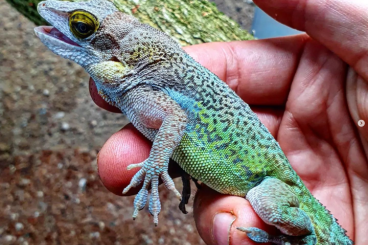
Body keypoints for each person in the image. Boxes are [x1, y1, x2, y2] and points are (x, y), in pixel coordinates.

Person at [90, 0, 368, 244]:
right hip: (257, 172)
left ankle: (303, 238)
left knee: (270, 209)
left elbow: (174, 118)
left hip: (265, 181)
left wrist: (155, 166)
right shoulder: (145, 83)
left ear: (114, 53)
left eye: (81, 26)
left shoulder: (148, 86)